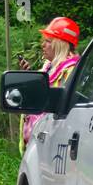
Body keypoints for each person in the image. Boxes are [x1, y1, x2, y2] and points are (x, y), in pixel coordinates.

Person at [19, 16, 80, 150]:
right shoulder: (48, 68)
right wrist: (31, 76)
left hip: (54, 145)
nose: (42, 45)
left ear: (59, 44)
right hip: (41, 143)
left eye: (47, 41)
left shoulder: (70, 71)